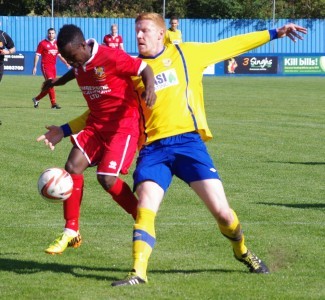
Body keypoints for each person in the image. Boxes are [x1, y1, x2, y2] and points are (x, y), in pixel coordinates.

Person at [38, 13, 307, 285]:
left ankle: (242, 250)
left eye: (144, 31)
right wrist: (65, 129)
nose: (139, 36)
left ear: (160, 34)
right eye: (137, 31)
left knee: (223, 214)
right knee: (144, 207)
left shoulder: (188, 53)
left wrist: (275, 32)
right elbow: (103, 111)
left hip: (188, 144)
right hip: (153, 150)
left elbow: (232, 44)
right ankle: (138, 273)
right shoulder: (133, 69)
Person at [36, 24, 156, 255]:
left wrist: (150, 87)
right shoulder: (79, 62)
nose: (73, 63)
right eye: (68, 59)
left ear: (83, 45)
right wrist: (56, 83)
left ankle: (142, 218)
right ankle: (71, 231)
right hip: (96, 126)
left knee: (107, 178)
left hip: (123, 126)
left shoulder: (110, 56)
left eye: (73, 57)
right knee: (72, 166)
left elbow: (143, 67)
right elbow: (76, 72)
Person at [32, 28, 70, 109]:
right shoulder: (42, 43)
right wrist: (35, 67)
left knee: (49, 86)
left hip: (53, 67)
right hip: (45, 66)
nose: (51, 35)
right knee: (51, 83)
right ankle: (53, 104)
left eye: (52, 33)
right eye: (49, 33)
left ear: (55, 34)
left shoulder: (57, 43)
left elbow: (59, 55)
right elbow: (37, 55)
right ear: (47, 34)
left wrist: (66, 63)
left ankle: (36, 99)